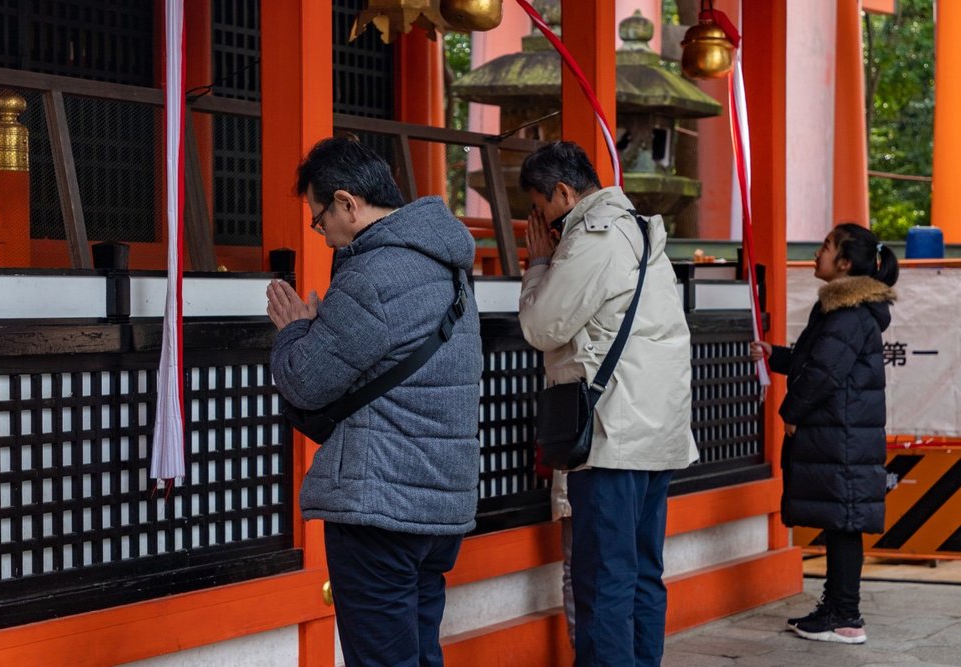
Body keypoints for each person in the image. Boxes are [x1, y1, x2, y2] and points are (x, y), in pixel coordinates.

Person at [266, 136, 482, 667]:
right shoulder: (449, 266)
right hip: (439, 506)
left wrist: (295, 332)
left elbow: (304, 381)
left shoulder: (373, 274)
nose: (323, 236)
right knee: (419, 651)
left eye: (320, 220)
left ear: (347, 203)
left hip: (380, 504)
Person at [518, 141, 698, 667]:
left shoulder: (592, 238)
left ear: (564, 191)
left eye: (540, 205)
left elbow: (540, 326)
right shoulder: (641, 231)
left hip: (611, 435)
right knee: (642, 572)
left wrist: (539, 265)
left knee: (604, 580)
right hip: (656, 434)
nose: (540, 219)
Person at [751, 223, 898, 645]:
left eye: (826, 248)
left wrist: (791, 411)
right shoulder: (843, 309)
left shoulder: (850, 313)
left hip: (843, 433)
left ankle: (846, 617)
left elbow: (824, 371)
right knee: (840, 521)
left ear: (846, 264)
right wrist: (775, 355)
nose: (817, 254)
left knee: (845, 521)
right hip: (842, 431)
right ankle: (835, 607)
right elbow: (813, 359)